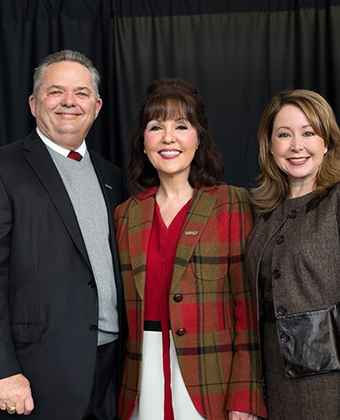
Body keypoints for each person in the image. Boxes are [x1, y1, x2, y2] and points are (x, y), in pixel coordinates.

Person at [0, 50, 127, 419]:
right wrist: (0, 370)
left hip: (112, 371)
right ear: (34, 103)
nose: (69, 101)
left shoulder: (114, 177)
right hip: (33, 374)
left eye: (81, 93)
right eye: (56, 92)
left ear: (96, 106)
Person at [114, 78, 267, 420]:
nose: (169, 137)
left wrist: (245, 396)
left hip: (212, 375)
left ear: (199, 139)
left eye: (181, 126)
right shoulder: (125, 215)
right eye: (157, 127)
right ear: (144, 142)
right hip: (141, 376)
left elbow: (248, 309)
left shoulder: (231, 204)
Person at [246, 89, 340, 420]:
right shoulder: (263, 215)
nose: (296, 145)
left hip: (331, 393)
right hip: (272, 392)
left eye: (308, 132)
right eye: (284, 134)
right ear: (270, 145)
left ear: (327, 141)